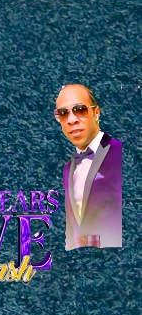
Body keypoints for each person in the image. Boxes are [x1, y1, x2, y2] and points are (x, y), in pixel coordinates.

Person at [56, 84, 123, 249]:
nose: (71, 120)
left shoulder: (120, 153)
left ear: (96, 112)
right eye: (63, 113)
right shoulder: (68, 169)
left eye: (80, 110)